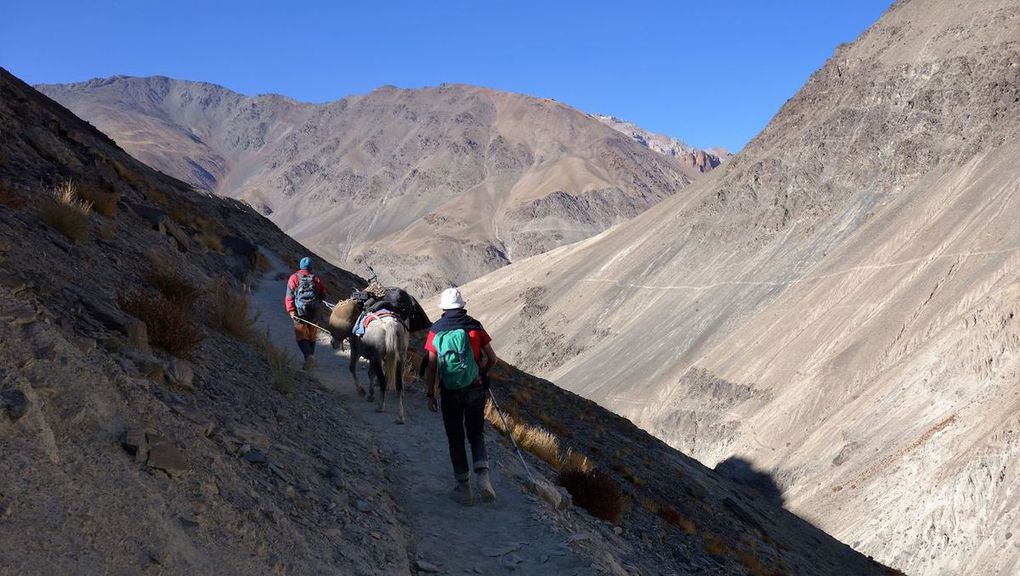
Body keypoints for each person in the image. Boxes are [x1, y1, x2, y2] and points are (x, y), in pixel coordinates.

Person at [425, 287, 499, 505]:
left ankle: (463, 488)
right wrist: (481, 373)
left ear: (444, 308)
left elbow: (431, 366)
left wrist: (431, 394)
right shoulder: (474, 327)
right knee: (476, 433)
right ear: (462, 306)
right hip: (475, 389)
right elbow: (493, 359)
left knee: (455, 437)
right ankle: (484, 480)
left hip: (450, 392)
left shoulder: (436, 330)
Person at [284, 256, 326, 371]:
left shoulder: (294, 278)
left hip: (299, 311)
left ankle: (308, 357)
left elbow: (289, 296)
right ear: (311, 267)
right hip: (314, 311)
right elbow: (323, 294)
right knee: (312, 335)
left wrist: (291, 311)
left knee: (301, 335)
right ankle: (310, 357)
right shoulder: (316, 279)